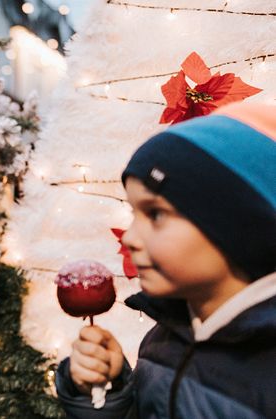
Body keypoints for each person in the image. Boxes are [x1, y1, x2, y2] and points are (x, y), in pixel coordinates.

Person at [56, 102, 276, 419]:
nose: (130, 237)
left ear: (234, 225)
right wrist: (111, 393)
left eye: (155, 214)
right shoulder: (163, 340)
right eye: (134, 213)